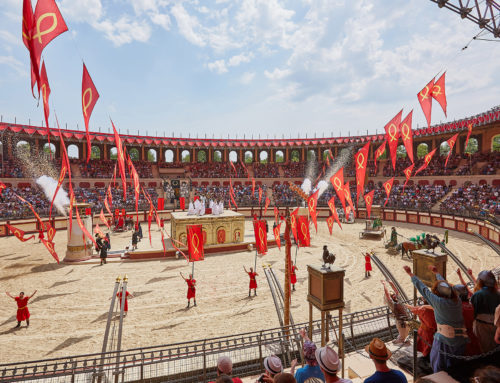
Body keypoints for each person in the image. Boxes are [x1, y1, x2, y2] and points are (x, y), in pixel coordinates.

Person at [403, 265, 467, 373]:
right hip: (461, 340)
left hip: (445, 341)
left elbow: (423, 289)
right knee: (456, 369)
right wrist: (437, 273)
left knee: (438, 366)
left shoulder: (439, 302)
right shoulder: (457, 300)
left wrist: (410, 274)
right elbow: (447, 286)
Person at [470, 270, 500, 353]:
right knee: (495, 348)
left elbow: (473, 311)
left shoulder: (477, 295)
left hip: (481, 325)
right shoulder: (498, 294)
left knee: (483, 349)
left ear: (481, 282)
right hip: (496, 326)